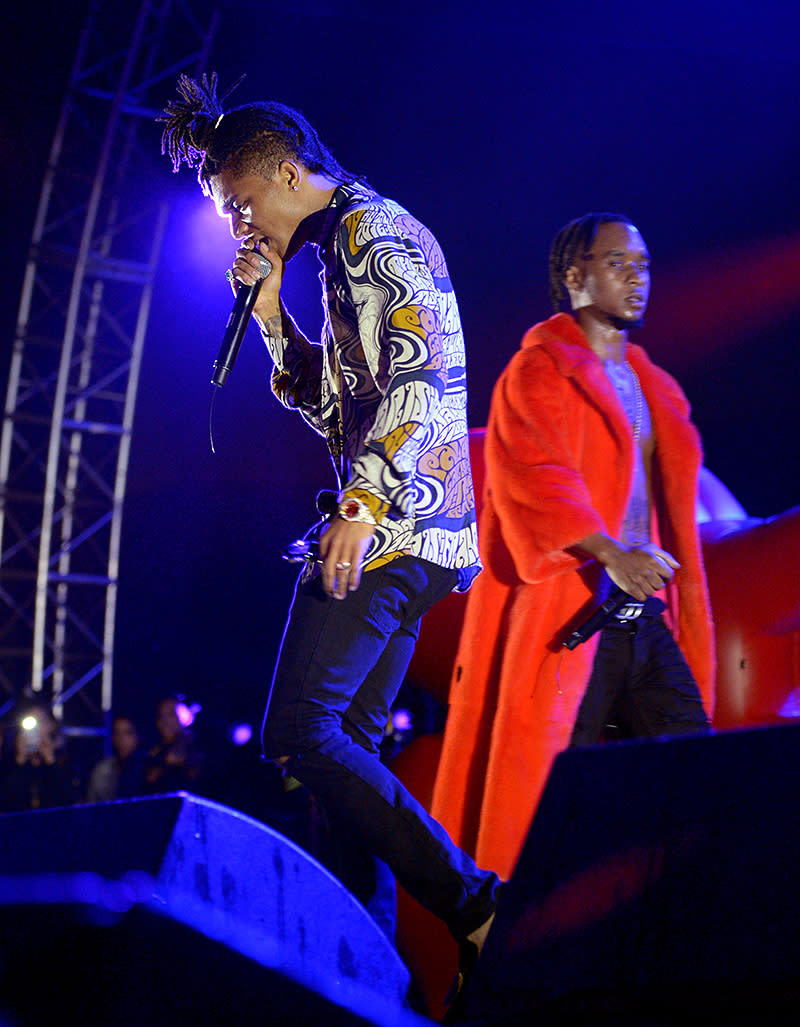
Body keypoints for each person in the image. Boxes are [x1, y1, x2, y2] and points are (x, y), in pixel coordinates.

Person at [159, 74, 500, 963]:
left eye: (238, 202)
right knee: (343, 748)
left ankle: (476, 903)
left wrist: (361, 502)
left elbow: (421, 379)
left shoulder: (371, 230)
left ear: (281, 171)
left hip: (396, 525)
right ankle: (368, 967)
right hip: (419, 531)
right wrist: (271, 316)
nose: (238, 226)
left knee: (297, 730)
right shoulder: (338, 244)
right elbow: (341, 402)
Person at [431, 213, 716, 881]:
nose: (636, 277)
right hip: (573, 620)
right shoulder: (540, 371)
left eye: (643, 264)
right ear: (574, 276)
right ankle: (513, 962)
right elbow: (535, 473)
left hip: (646, 618)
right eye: (618, 262)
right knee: (551, 802)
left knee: (695, 773)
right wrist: (613, 552)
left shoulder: (658, 389)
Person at [144, 696, 204, 795]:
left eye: (171, 714)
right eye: (161, 716)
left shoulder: (196, 748)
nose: (165, 721)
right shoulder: (153, 753)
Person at [86, 713, 146, 802]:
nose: (121, 739)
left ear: (137, 736)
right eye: (117, 733)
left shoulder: (149, 768)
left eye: (127, 733)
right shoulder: (103, 770)